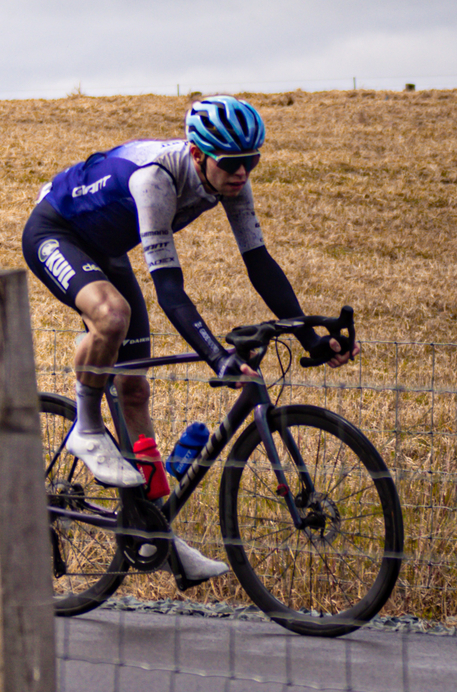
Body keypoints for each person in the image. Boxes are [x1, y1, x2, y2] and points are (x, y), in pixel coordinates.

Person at [22, 93, 351, 562]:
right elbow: (170, 290)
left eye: (252, 162)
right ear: (198, 154)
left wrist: (310, 336)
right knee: (112, 315)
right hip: (55, 232)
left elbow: (259, 264)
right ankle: (87, 425)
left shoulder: (230, 182)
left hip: (107, 251)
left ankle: (157, 535)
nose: (242, 173)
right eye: (233, 162)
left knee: (135, 389)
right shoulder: (156, 178)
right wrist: (218, 356)